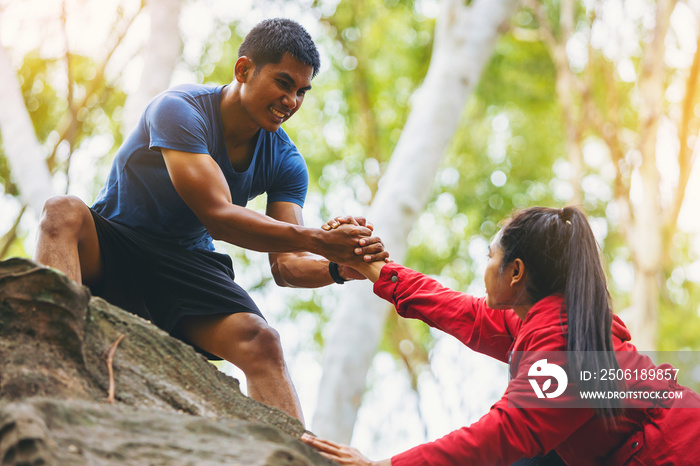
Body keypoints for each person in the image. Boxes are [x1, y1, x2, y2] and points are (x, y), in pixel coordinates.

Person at [34, 18, 387, 425]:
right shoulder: (179, 109)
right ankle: (50, 349)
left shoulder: (287, 162)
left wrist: (336, 267)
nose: (291, 101)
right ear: (244, 70)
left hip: (185, 266)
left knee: (263, 342)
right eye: (283, 83)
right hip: (114, 247)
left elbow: (286, 266)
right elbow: (218, 217)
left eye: (301, 92)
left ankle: (297, 455)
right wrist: (321, 239)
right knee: (62, 210)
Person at [304, 206, 700, 465]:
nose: (486, 268)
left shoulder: (564, 345)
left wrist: (387, 465)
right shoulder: (544, 320)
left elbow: (509, 431)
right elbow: (457, 311)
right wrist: (370, 264)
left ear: (516, 272)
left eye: (490, 256)